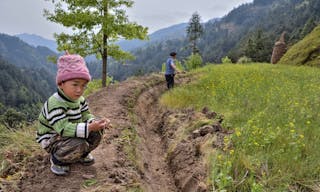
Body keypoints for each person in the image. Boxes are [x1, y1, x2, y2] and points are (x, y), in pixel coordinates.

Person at [36, 52, 110, 176]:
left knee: (97, 132)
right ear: (61, 83)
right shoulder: (55, 104)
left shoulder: (79, 100)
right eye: (75, 84)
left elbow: (86, 115)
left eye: (83, 86)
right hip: (53, 139)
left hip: (71, 134)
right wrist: (89, 127)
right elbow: (63, 129)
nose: (79, 90)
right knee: (78, 142)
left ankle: (81, 154)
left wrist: (96, 122)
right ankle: (57, 159)